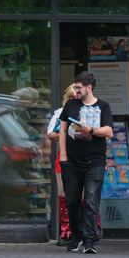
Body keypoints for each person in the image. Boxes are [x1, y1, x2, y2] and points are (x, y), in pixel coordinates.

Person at [58, 71, 114, 254]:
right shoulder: (71, 105)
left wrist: (90, 129)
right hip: (72, 162)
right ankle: (77, 236)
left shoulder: (103, 106)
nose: (76, 90)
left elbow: (108, 132)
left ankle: (90, 240)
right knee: (72, 201)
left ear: (89, 87)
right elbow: (63, 129)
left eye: (79, 87)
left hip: (95, 161)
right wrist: (63, 156)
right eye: (75, 87)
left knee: (91, 201)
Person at [46, 83, 77, 246]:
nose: (73, 99)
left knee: (85, 196)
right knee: (64, 195)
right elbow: (51, 134)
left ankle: (90, 228)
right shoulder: (60, 112)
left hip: (84, 158)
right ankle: (66, 230)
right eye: (70, 96)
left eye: (76, 96)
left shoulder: (89, 110)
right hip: (64, 157)